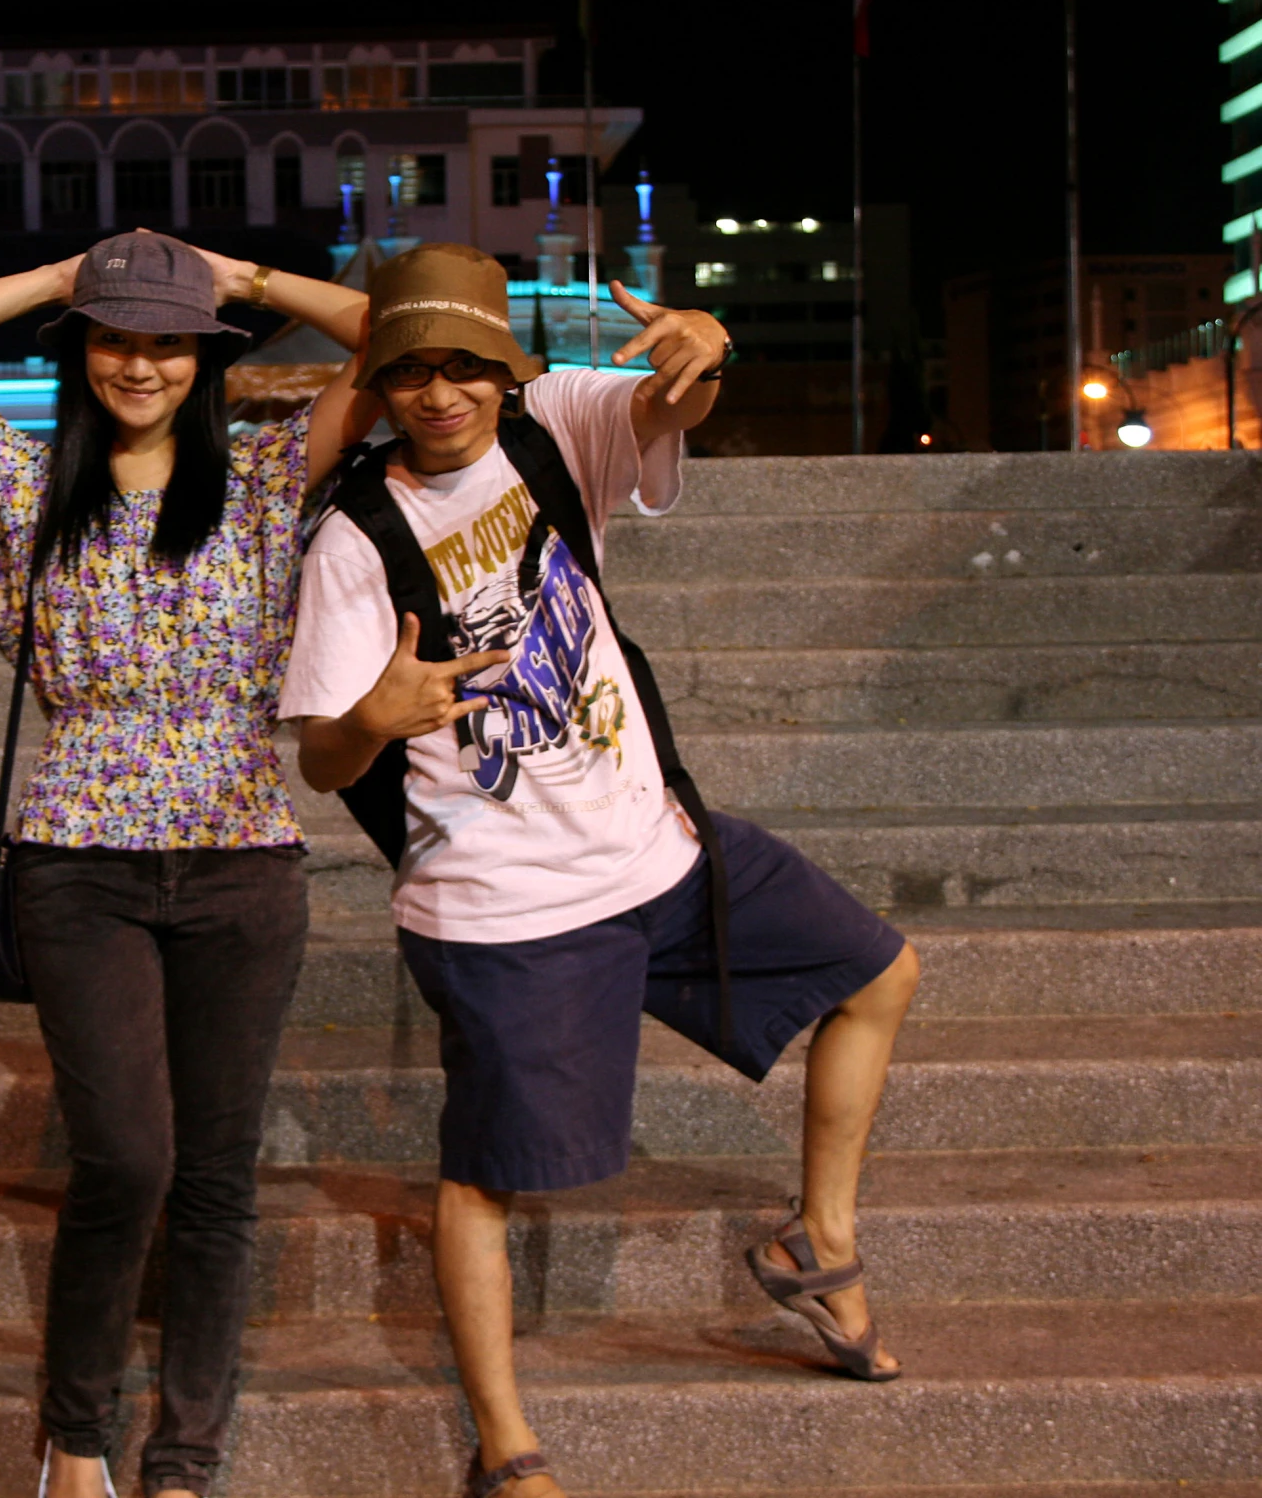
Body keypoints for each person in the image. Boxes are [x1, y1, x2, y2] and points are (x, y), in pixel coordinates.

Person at [276, 243, 922, 1498]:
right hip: (505, 905)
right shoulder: (353, 539)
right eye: (412, 369)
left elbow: (662, 403)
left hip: (660, 848)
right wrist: (379, 712)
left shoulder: (556, 422)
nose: (442, 391)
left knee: (879, 972)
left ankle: (819, 1236)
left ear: (508, 370)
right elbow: (318, 758)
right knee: (485, 1174)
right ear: (381, 381)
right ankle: (505, 1446)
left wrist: (704, 352)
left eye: (469, 364)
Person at [0, 230, 379, 1498]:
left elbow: (398, 333)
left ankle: (186, 1454)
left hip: (241, 863)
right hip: (77, 862)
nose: (140, 362)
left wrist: (246, 281)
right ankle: (77, 1432)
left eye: (166, 339)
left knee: (215, 1177)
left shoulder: (265, 473)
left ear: (206, 357)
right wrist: (63, 279)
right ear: (83, 350)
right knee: (126, 1159)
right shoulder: (27, 478)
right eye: (117, 336)